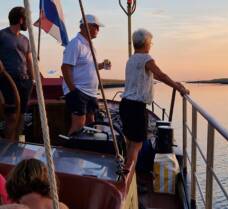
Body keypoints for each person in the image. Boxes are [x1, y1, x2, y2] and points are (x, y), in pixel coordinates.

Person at [120, 28, 189, 174]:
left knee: (130, 143)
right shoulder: (146, 59)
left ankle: (128, 175)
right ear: (146, 43)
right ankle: (129, 180)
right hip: (136, 107)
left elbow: (154, 75)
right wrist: (178, 87)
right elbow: (161, 75)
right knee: (136, 145)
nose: (151, 45)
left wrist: (175, 84)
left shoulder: (131, 59)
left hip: (125, 104)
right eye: (151, 43)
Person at [61, 14, 111, 135]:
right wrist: (73, 91)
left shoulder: (89, 46)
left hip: (91, 93)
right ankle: (70, 151)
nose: (98, 30)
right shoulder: (75, 44)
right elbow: (65, 67)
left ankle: (86, 150)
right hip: (79, 91)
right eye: (96, 27)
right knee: (78, 125)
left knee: (91, 124)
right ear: (86, 26)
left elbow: (89, 66)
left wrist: (102, 65)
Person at [0, 7, 34, 141]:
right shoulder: (2, 35)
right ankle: (7, 151)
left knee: (21, 118)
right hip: (8, 81)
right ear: (21, 20)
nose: (28, 23)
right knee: (12, 117)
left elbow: (29, 60)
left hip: (25, 82)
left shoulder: (26, 40)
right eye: (27, 19)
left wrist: (33, 79)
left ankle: (16, 148)